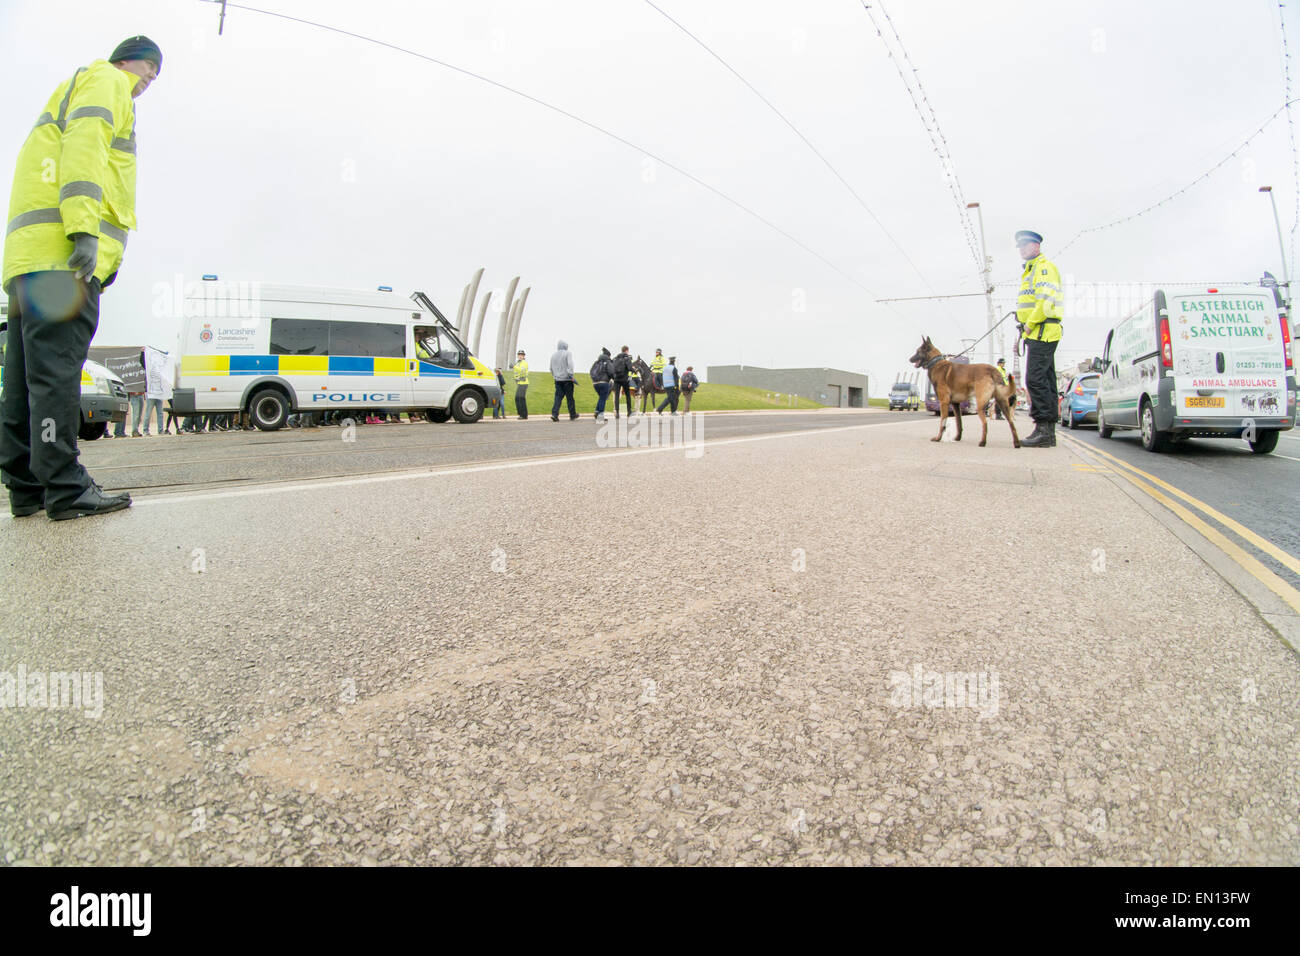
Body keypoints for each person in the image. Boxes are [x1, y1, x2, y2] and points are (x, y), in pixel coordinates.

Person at [1, 36, 160, 519]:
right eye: (149, 72)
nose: (147, 84)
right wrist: (83, 229)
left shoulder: (72, 86)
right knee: (56, 375)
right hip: (64, 257)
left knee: (24, 378)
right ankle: (67, 488)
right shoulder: (108, 81)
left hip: (29, 260)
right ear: (131, 62)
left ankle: (27, 485)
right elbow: (86, 147)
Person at [1014, 230, 1063, 447]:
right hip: (1041, 331)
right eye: (1020, 246)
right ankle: (1047, 431)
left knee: (1035, 379)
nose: (1021, 249)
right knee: (1047, 380)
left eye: (1025, 245)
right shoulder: (1032, 269)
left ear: (1036, 246)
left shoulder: (1043, 268)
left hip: (1041, 330)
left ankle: (1043, 428)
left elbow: (1044, 301)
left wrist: (1029, 324)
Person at [550, 339, 577, 421]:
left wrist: (555, 376)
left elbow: (550, 368)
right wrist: (571, 375)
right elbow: (570, 365)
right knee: (570, 398)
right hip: (567, 379)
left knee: (558, 398)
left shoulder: (553, 355)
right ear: (565, 346)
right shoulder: (568, 353)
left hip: (558, 380)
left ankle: (555, 414)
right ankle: (572, 415)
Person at [590, 347, 614, 421]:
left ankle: (597, 412)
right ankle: (600, 415)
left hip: (595, 383)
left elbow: (591, 371)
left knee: (601, 398)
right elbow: (611, 372)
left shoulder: (596, 362)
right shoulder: (608, 362)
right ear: (608, 356)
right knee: (603, 398)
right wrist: (613, 378)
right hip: (604, 382)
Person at [611, 345, 634, 419]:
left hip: (616, 380)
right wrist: (635, 370)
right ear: (627, 350)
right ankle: (629, 412)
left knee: (617, 396)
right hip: (624, 380)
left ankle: (617, 412)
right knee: (628, 395)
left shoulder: (615, 358)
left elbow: (612, 368)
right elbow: (630, 368)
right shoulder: (627, 358)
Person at [512, 350, 529, 419]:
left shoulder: (524, 363)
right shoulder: (518, 363)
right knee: (518, 398)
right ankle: (521, 414)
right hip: (520, 383)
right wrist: (515, 378)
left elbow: (522, 371)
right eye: (519, 355)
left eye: (521, 355)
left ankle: (523, 415)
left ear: (524, 356)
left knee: (520, 398)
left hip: (524, 383)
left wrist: (514, 367)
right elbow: (516, 372)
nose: (520, 356)